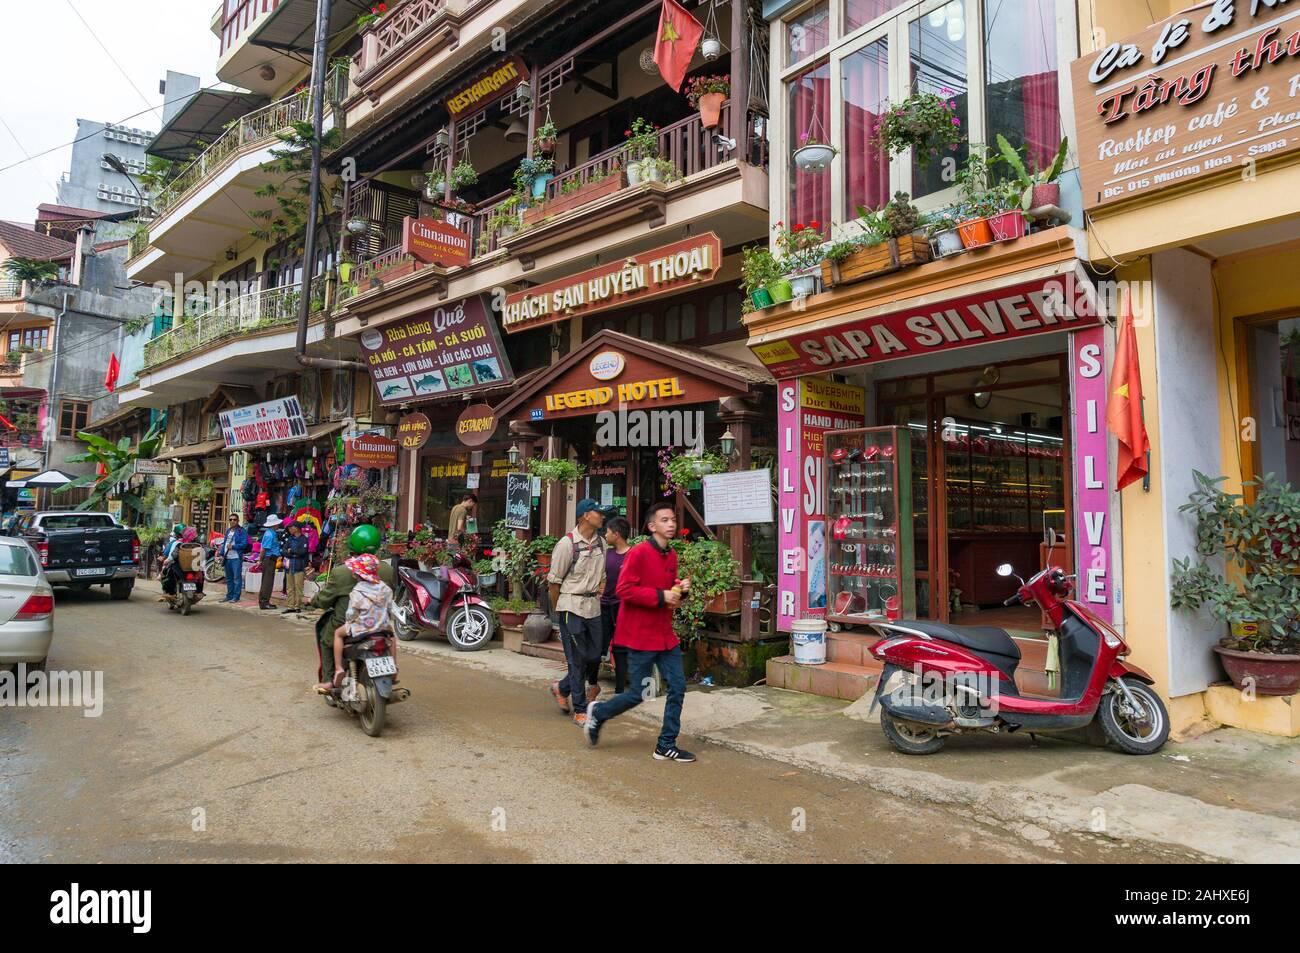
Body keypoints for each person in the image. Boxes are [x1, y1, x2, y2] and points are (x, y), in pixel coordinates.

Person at [584, 500, 695, 762]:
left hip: (665, 635)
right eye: (665, 520)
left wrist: (681, 589)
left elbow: (671, 590)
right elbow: (624, 589)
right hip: (640, 636)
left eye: (673, 520)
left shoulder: (671, 555)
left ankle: (666, 744)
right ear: (652, 525)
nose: (671, 524)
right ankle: (599, 713)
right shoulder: (639, 553)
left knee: (678, 687)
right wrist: (662, 595)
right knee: (637, 694)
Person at [547, 499, 609, 726]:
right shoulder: (567, 544)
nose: (602, 516)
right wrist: (559, 609)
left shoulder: (602, 543)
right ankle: (580, 709)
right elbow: (554, 583)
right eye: (598, 512)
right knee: (576, 660)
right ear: (584, 516)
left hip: (593, 607)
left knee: (593, 656)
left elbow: (602, 576)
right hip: (570, 607)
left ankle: (561, 688)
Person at [309, 525, 397, 684]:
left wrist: (312, 601)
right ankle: (394, 667)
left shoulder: (342, 572)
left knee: (326, 637)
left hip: (351, 624)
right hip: (379, 624)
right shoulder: (387, 570)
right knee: (392, 637)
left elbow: (325, 600)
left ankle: (330, 679)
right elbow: (391, 598)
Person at [599, 516, 632, 695]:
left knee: (620, 648)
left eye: (608, 532)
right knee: (599, 646)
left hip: (623, 607)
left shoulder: (632, 555)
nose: (605, 535)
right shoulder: (607, 554)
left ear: (617, 534)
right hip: (604, 605)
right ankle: (591, 683)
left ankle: (620, 689)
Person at [218, 515, 249, 603]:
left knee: (236, 578)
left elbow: (244, 544)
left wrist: (234, 546)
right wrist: (221, 554)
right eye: (230, 519)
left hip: (236, 558)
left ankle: (236, 597)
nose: (232, 521)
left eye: (234, 519)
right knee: (228, 578)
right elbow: (225, 543)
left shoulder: (241, 531)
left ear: (238, 520)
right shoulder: (228, 531)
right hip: (227, 557)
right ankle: (229, 595)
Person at [281, 520, 309, 614]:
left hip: (299, 566)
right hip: (289, 566)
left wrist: (291, 551)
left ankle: (297, 606)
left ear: (296, 528)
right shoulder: (290, 539)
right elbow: (284, 551)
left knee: (298, 587)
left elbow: (302, 552)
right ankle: (290, 606)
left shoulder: (303, 539)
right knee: (290, 587)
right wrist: (292, 552)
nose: (289, 529)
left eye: (291, 527)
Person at [257, 514, 283, 610]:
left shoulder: (272, 533)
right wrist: (260, 560)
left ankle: (265, 601)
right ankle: (264, 602)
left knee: (268, 581)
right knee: (267, 582)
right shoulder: (269, 534)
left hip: (271, 559)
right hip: (268, 559)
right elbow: (264, 549)